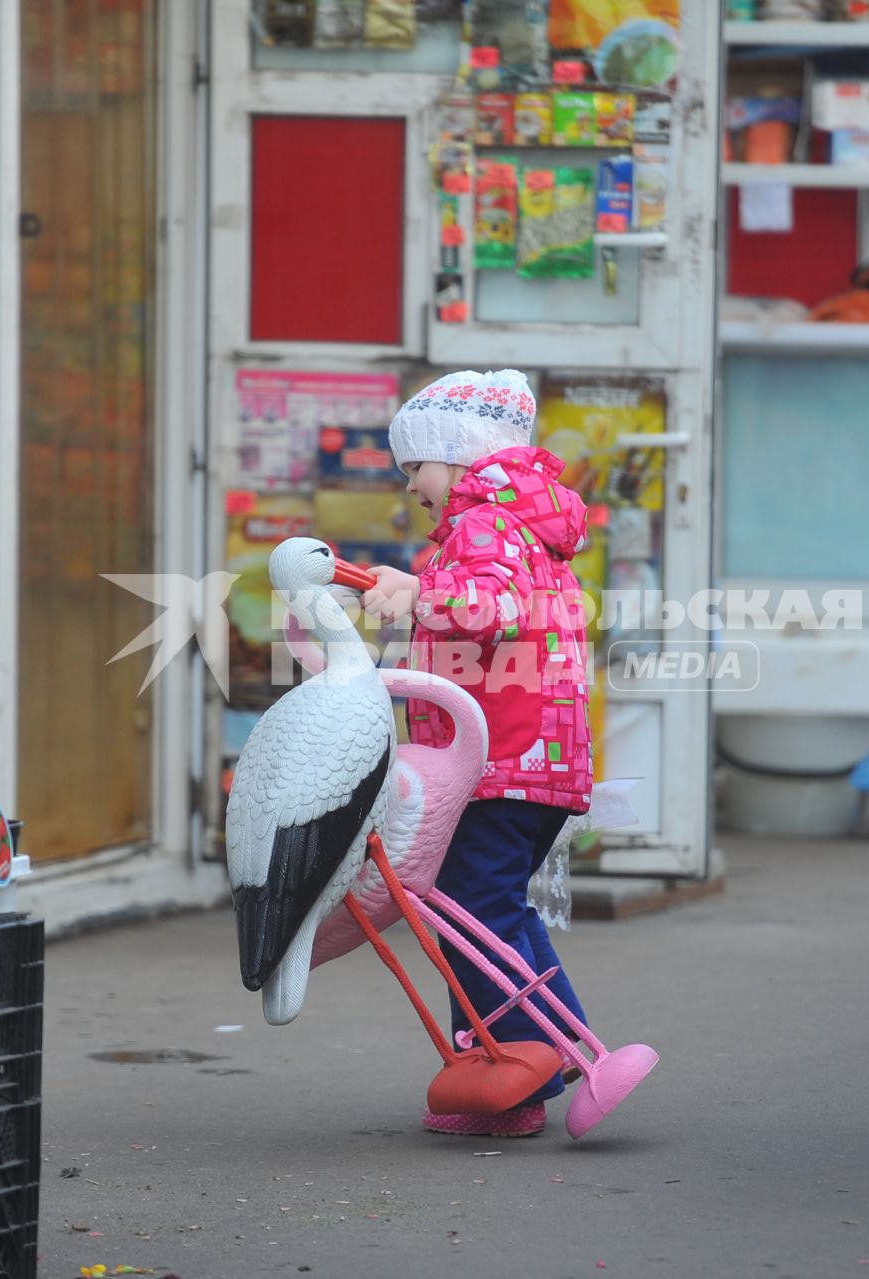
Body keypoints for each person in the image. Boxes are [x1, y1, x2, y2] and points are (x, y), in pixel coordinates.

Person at [360, 368, 594, 1139]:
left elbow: (484, 611)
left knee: (470, 910)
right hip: (536, 759)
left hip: (497, 761)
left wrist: (415, 592)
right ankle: (518, 1075)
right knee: (491, 912)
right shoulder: (525, 522)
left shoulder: (482, 523)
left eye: (414, 466)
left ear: (459, 458)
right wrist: (415, 581)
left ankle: (521, 1053)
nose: (410, 486)